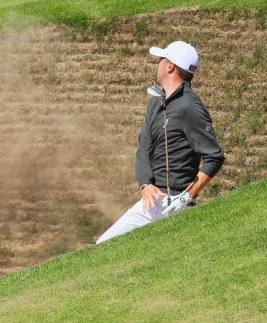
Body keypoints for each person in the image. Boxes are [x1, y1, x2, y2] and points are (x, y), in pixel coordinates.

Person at [96, 41, 224, 244]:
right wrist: (145, 184)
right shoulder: (157, 102)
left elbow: (214, 156)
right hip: (152, 203)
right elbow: (143, 148)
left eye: (162, 59)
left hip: (175, 202)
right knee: (103, 246)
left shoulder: (190, 107)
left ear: (170, 66)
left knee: (107, 247)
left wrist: (186, 197)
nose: (158, 63)